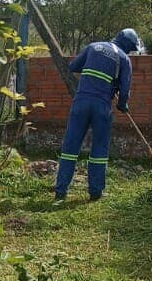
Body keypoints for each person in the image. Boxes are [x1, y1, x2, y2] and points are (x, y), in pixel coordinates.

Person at [53, 28, 139, 204]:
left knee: (70, 147)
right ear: (128, 45)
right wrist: (122, 104)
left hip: (81, 103)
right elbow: (125, 90)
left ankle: (61, 192)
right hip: (101, 107)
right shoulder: (124, 59)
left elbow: (73, 66)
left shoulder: (93, 46)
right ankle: (96, 192)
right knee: (99, 149)